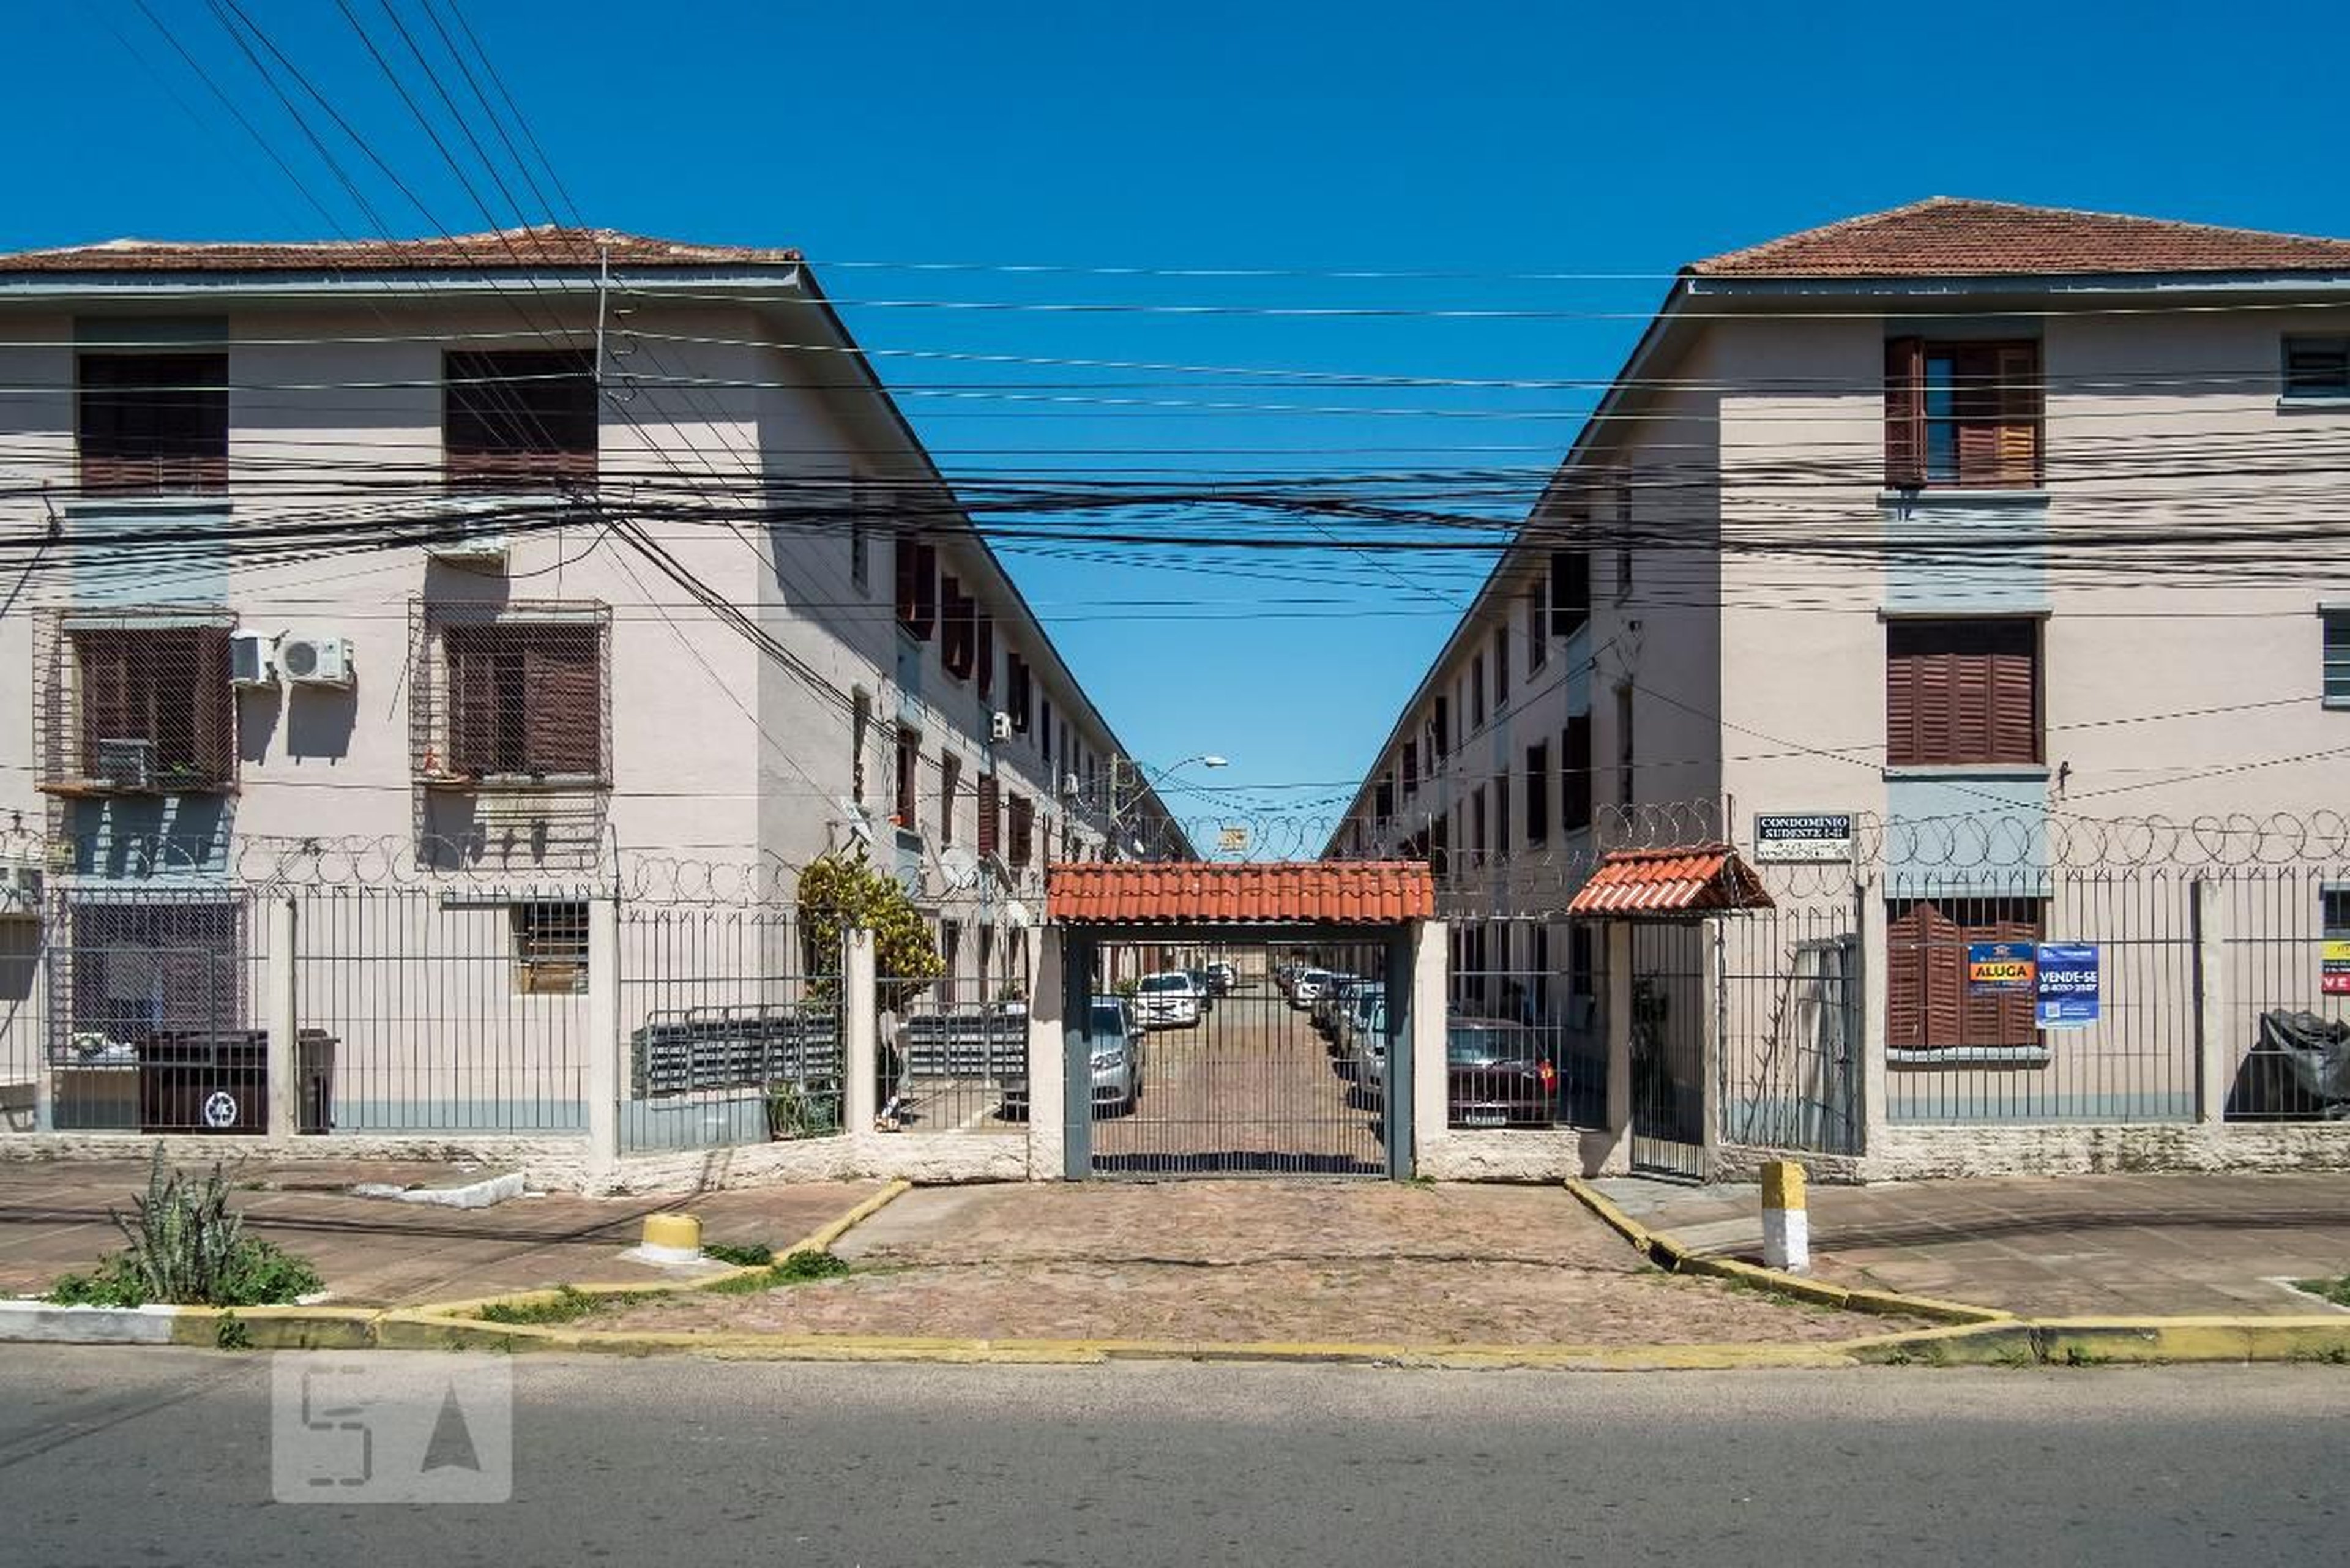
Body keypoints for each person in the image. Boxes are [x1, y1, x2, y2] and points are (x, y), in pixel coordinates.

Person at [875, 1001, 908, 1130]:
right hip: (891, 1060)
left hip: (894, 1059)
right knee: (893, 1091)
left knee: (894, 1091)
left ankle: (883, 1116)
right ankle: (883, 1117)